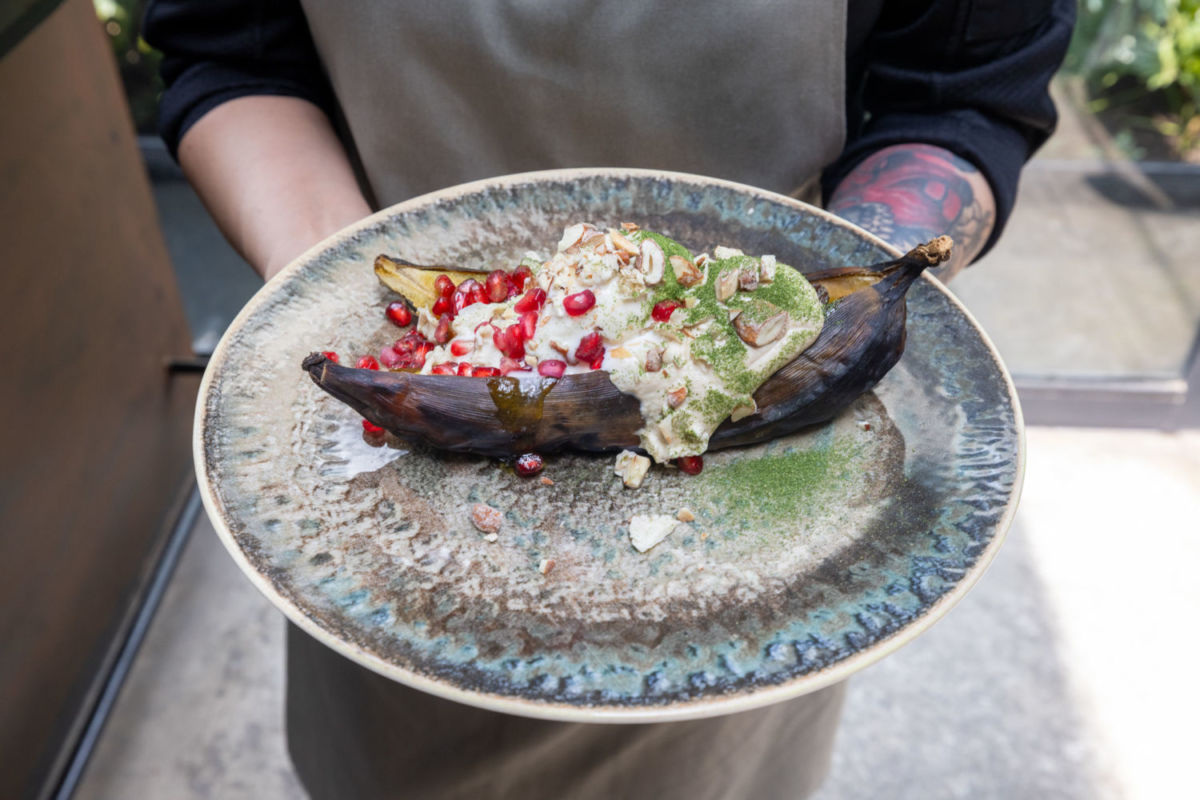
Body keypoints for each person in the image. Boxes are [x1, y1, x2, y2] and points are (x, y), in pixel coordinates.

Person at [145, 1, 1073, 797]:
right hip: (394, 525)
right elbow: (231, 51)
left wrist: (799, 328)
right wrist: (342, 285)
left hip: (761, 542)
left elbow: (959, 90)